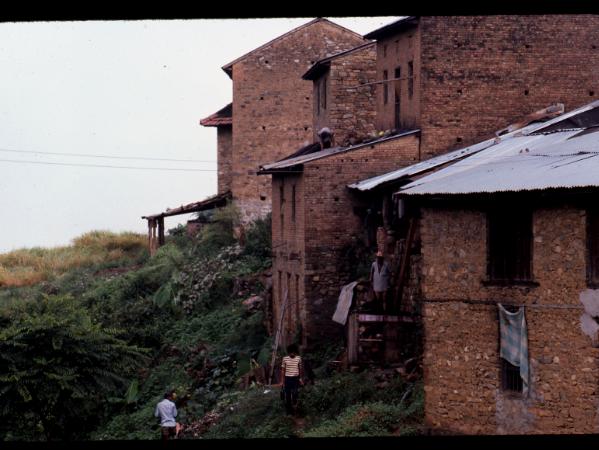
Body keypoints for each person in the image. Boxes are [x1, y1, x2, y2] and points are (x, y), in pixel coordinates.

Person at [280, 343, 303, 415]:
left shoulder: (298, 358)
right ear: (289, 352)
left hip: (295, 379)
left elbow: (300, 369)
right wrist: (282, 382)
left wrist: (300, 378)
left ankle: (295, 408)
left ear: (295, 352)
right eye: (291, 352)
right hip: (287, 379)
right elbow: (283, 370)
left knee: (295, 393)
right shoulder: (285, 359)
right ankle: (289, 412)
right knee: (287, 395)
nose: (292, 353)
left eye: (293, 352)